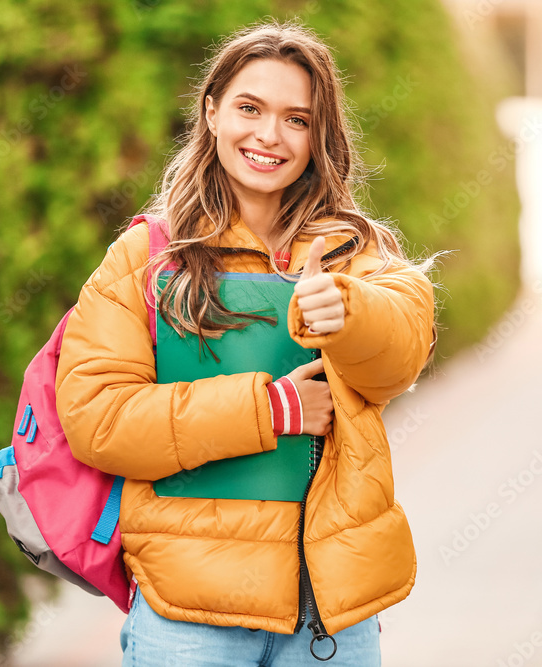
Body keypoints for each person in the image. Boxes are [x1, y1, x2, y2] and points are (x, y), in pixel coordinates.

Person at [54, 19, 437, 666]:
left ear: (320, 137)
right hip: (188, 616)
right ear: (210, 112)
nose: (268, 135)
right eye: (249, 108)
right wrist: (274, 411)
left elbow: (398, 356)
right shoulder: (145, 256)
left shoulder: (354, 253)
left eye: (297, 118)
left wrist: (348, 309)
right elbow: (98, 420)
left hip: (329, 618)